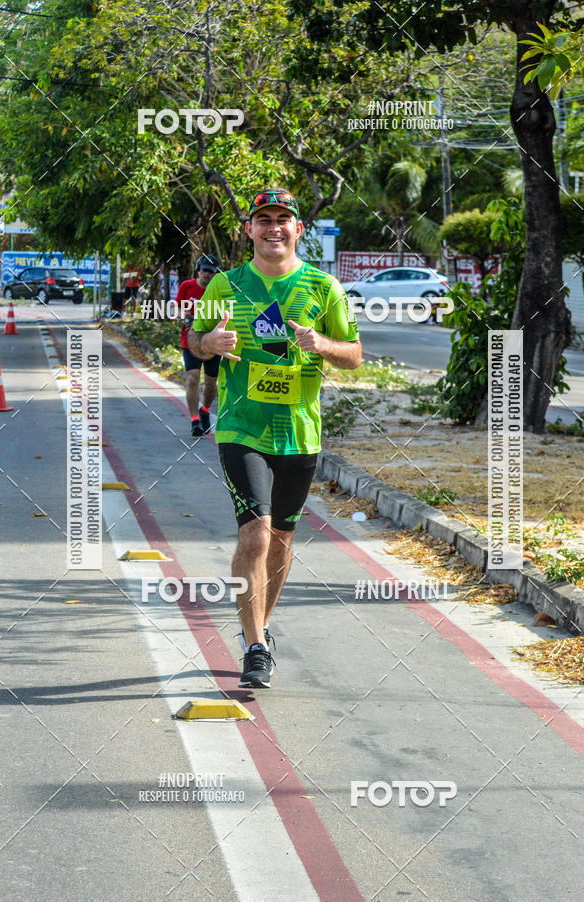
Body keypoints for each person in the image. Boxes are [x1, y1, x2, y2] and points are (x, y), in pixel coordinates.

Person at [188, 188, 362, 688]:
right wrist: (210, 344)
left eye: (282, 219)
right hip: (241, 428)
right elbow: (196, 342)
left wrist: (320, 343)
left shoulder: (323, 287)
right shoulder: (226, 284)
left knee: (283, 540)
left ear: (298, 229)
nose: (273, 227)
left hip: (300, 433)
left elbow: (354, 355)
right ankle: (254, 645)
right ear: (249, 230)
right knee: (256, 534)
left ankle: (261, 622)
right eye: (263, 219)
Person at [177, 254, 222, 436]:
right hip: (190, 340)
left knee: (211, 384)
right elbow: (177, 309)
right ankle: (195, 421)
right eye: (204, 271)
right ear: (198, 271)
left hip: (213, 341)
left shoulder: (219, 290)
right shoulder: (187, 286)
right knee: (193, 379)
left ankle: (205, 410)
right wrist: (184, 313)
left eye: (211, 273)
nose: (207, 275)